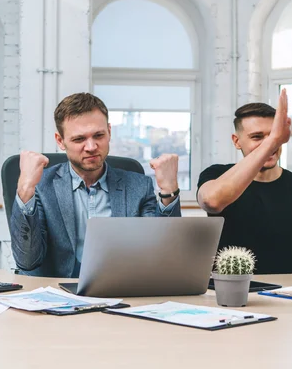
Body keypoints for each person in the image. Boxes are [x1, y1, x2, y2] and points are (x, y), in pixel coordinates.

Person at [9, 93, 181, 278]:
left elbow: (163, 257)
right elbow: (27, 261)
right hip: (56, 295)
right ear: (60, 141)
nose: (91, 147)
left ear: (109, 132)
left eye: (98, 135)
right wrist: (26, 189)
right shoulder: (42, 186)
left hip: (120, 291)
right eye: (79, 139)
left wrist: (168, 191)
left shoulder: (138, 186)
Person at [196, 91, 292, 279]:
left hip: (285, 298)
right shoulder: (216, 174)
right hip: (224, 293)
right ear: (237, 141)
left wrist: (287, 293)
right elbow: (212, 201)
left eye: (273, 135)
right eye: (257, 137)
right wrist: (273, 140)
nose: (270, 144)